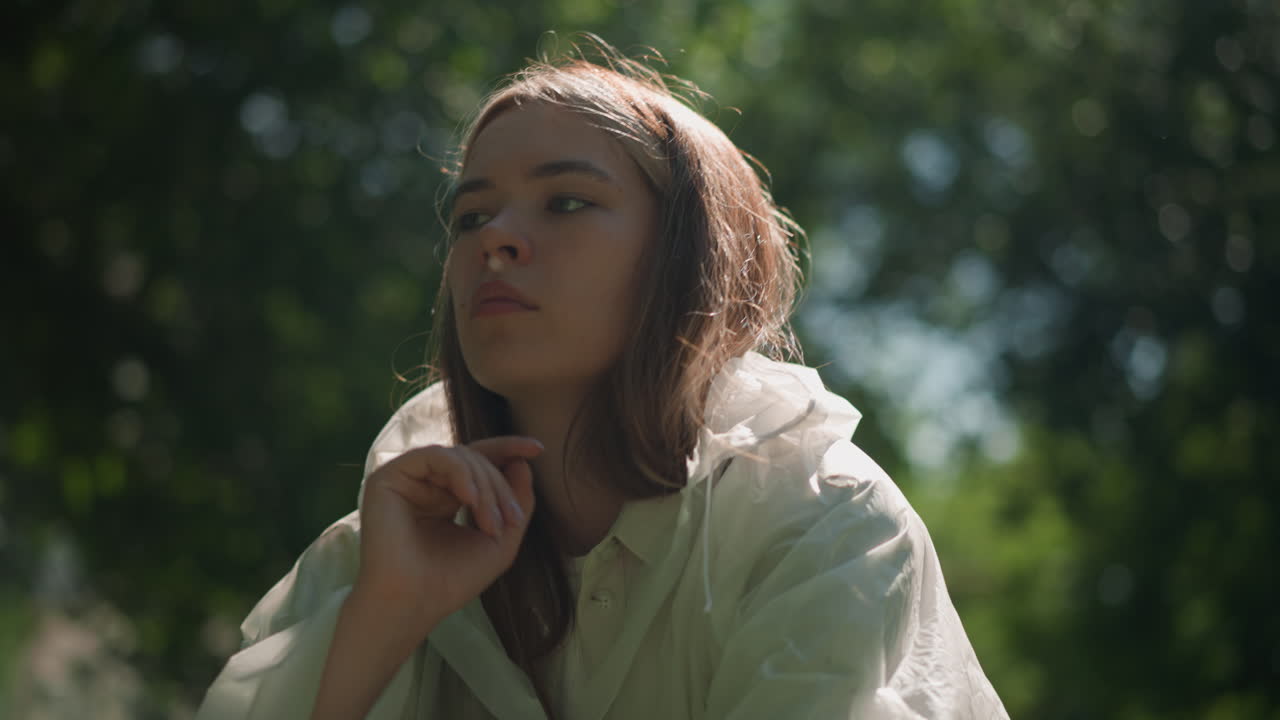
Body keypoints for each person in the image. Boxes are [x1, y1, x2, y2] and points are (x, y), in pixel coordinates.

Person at [195, 40, 1009, 720]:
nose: (495, 240)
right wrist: (385, 617)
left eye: (566, 202)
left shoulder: (818, 521)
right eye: (472, 215)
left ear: (688, 260)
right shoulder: (385, 549)